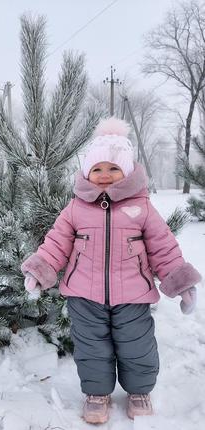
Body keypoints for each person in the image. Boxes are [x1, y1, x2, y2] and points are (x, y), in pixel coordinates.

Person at [21, 117, 202, 424]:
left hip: (132, 295)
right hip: (84, 295)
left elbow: (163, 247)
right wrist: (41, 269)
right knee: (92, 348)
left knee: (137, 345)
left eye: (113, 168)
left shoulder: (142, 208)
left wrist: (180, 282)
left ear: (127, 171)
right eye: (97, 169)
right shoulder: (76, 208)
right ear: (87, 172)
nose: (104, 175)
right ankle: (96, 393)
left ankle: (139, 390)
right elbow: (56, 243)